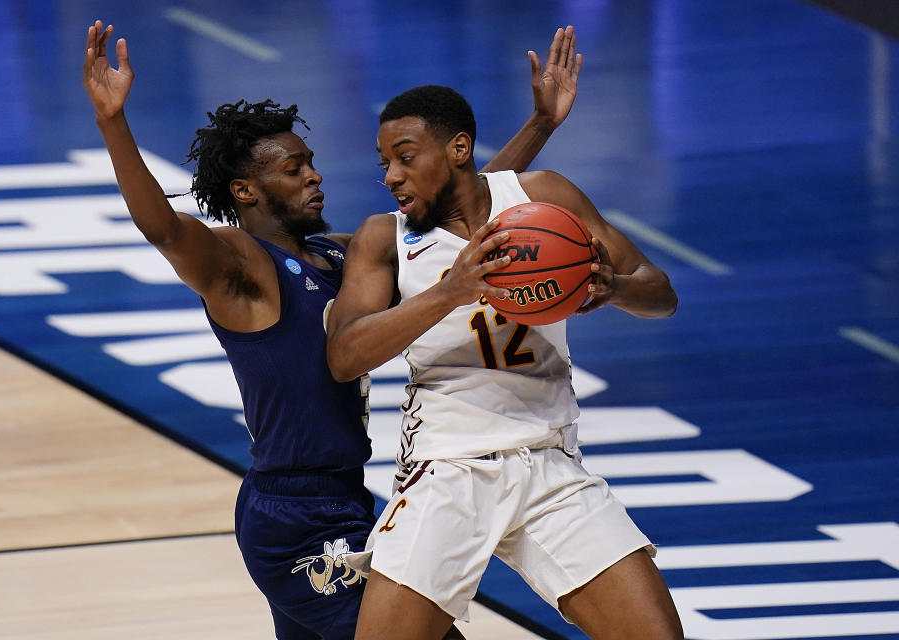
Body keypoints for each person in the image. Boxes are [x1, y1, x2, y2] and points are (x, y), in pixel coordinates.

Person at [82, 19, 583, 640]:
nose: (314, 175)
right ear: (246, 190)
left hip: (347, 499)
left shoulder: (340, 256)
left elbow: (457, 216)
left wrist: (540, 126)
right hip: (295, 516)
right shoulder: (242, 268)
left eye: (311, 163)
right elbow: (163, 228)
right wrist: (113, 122)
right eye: (294, 169)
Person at [325, 84, 683, 640]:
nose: (391, 175)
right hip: (446, 471)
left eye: (405, 156)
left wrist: (614, 291)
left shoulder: (543, 198)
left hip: (549, 463)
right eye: (385, 163)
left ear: (458, 149)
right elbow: (344, 357)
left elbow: (659, 293)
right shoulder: (384, 238)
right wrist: (450, 291)